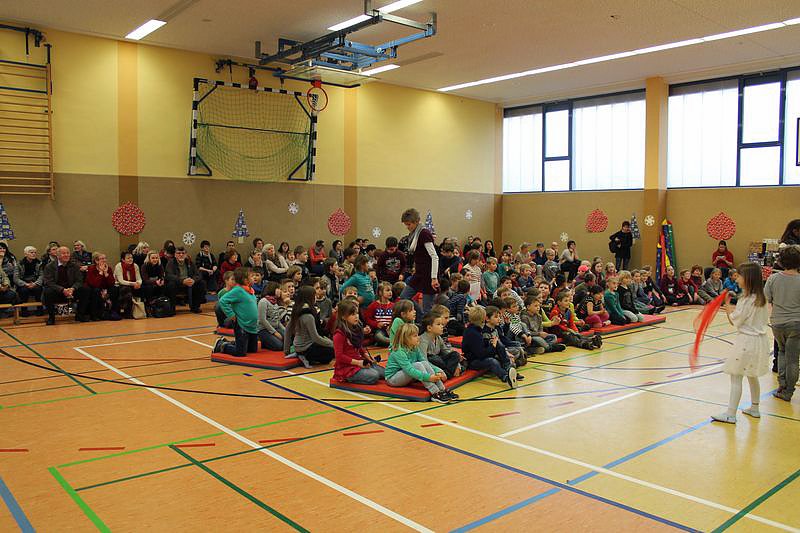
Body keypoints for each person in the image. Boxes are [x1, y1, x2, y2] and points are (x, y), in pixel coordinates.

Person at [711, 262, 771, 423]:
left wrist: (727, 306)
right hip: (760, 341)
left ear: (748, 278)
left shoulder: (747, 300)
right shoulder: (762, 298)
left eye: (740, 276)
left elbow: (735, 321)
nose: (737, 279)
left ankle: (730, 414)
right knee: (752, 375)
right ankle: (755, 408)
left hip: (746, 341)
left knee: (736, 376)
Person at [764, 246, 800, 402]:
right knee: (793, 358)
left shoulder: (773, 278)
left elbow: (767, 298)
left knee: (782, 352)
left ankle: (782, 384)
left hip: (777, 323)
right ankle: (788, 391)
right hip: (796, 323)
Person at [385, 322, 452, 403]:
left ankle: (442, 389)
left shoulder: (414, 347)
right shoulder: (399, 351)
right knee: (417, 365)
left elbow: (424, 361)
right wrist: (428, 377)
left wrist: (436, 371)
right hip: (393, 379)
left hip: (407, 375)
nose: (418, 338)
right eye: (415, 336)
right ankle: (435, 392)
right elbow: (409, 369)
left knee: (424, 362)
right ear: (406, 338)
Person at [462, 306, 517, 388]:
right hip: (473, 361)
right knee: (492, 361)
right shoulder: (473, 333)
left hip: (481, 354)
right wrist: (492, 346)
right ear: (483, 319)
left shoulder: (477, 329)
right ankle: (505, 377)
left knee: (499, 345)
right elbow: (481, 354)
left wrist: (493, 344)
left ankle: (508, 367)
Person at [332, 299, 385, 385]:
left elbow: (359, 346)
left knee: (385, 373)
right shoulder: (339, 334)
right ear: (343, 317)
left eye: (357, 313)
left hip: (359, 362)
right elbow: (339, 356)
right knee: (374, 375)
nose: (356, 316)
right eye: (352, 314)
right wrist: (358, 363)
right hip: (347, 367)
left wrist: (367, 356)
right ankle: (348, 378)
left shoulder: (356, 328)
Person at [398, 208, 439, 314]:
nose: (407, 227)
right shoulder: (413, 234)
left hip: (429, 275)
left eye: (409, 224)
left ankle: (427, 325)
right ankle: (419, 315)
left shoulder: (424, 234)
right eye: (406, 225)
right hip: (419, 273)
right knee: (404, 297)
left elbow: (434, 257)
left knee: (427, 309)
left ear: (416, 222)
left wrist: (434, 278)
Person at [213, 267, 260, 358]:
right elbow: (223, 301)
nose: (254, 277)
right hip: (241, 325)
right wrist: (231, 315)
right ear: (245, 280)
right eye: (252, 276)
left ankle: (233, 343)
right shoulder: (238, 290)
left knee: (252, 350)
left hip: (252, 326)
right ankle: (222, 345)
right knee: (240, 353)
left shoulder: (251, 290)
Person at [284, 285, 334, 367]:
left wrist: (286, 350)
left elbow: (287, 330)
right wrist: (332, 344)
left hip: (298, 345)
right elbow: (315, 337)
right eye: (314, 295)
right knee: (330, 353)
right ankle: (304, 356)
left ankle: (299, 353)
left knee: (327, 347)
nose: (316, 297)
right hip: (305, 347)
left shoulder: (297, 309)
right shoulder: (308, 315)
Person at [42, 246, 84, 325]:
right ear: (57, 256)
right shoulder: (49, 266)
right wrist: (62, 290)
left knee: (85, 290)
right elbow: (49, 282)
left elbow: (79, 281)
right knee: (47, 292)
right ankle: (51, 317)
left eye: (68, 253)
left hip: (71, 291)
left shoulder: (74, 266)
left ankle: (80, 315)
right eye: (63, 253)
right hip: (57, 291)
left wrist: (72, 288)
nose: (66, 255)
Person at [419, 312, 464, 379]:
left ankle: (448, 372)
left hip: (440, 362)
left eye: (442, 324)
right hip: (431, 364)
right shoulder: (423, 340)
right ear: (429, 328)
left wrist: (458, 365)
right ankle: (447, 373)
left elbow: (447, 351)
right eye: (438, 324)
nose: (442, 326)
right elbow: (423, 361)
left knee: (455, 354)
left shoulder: (438, 337)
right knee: (434, 359)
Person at [165, 246, 206, 313]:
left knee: (201, 283)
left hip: (189, 284)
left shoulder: (190, 262)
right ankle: (172, 308)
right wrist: (182, 281)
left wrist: (193, 280)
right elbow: (169, 275)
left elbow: (198, 275)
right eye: (179, 253)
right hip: (177, 284)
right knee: (171, 284)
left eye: (183, 253)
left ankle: (195, 307)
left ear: (186, 254)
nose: (181, 255)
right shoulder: (171, 263)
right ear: (175, 255)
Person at [14, 246, 43, 316]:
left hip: (35, 283)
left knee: (38, 289)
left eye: (35, 252)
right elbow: (16, 278)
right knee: (24, 291)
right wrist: (25, 284)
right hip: (23, 284)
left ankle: (39, 310)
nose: (34, 254)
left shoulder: (39, 263)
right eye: (31, 252)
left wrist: (35, 284)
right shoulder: (19, 264)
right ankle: (24, 311)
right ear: (25, 254)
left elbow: (42, 276)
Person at [364, 282, 394, 346]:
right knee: (379, 337)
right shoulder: (373, 305)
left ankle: (395, 342)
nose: (390, 292)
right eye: (387, 290)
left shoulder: (393, 305)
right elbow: (367, 319)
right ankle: (395, 343)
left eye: (391, 290)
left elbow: (396, 318)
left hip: (391, 329)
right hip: (379, 330)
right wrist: (376, 324)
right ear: (380, 292)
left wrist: (391, 326)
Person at [114, 251, 142, 318]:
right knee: (126, 289)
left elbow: (139, 278)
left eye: (131, 257)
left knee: (144, 288)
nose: (130, 259)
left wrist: (138, 283)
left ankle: (142, 310)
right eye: (128, 258)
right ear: (123, 259)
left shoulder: (135, 266)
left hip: (133, 284)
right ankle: (126, 312)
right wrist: (134, 284)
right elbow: (121, 281)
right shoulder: (119, 266)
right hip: (120, 285)